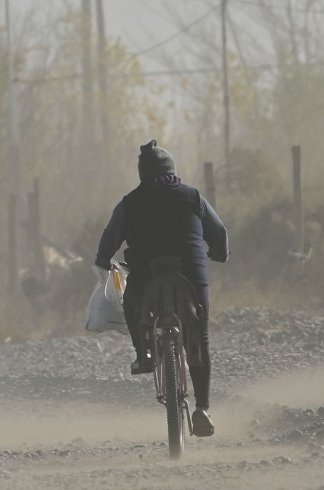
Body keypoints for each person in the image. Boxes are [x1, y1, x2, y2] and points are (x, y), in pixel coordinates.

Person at [93, 139, 228, 437]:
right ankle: (202, 408)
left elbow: (109, 240)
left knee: (131, 304)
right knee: (200, 338)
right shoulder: (193, 197)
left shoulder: (129, 203)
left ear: (142, 172)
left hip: (145, 279)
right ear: (172, 169)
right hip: (193, 278)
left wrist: (103, 262)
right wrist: (218, 254)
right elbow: (219, 233)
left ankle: (144, 353)